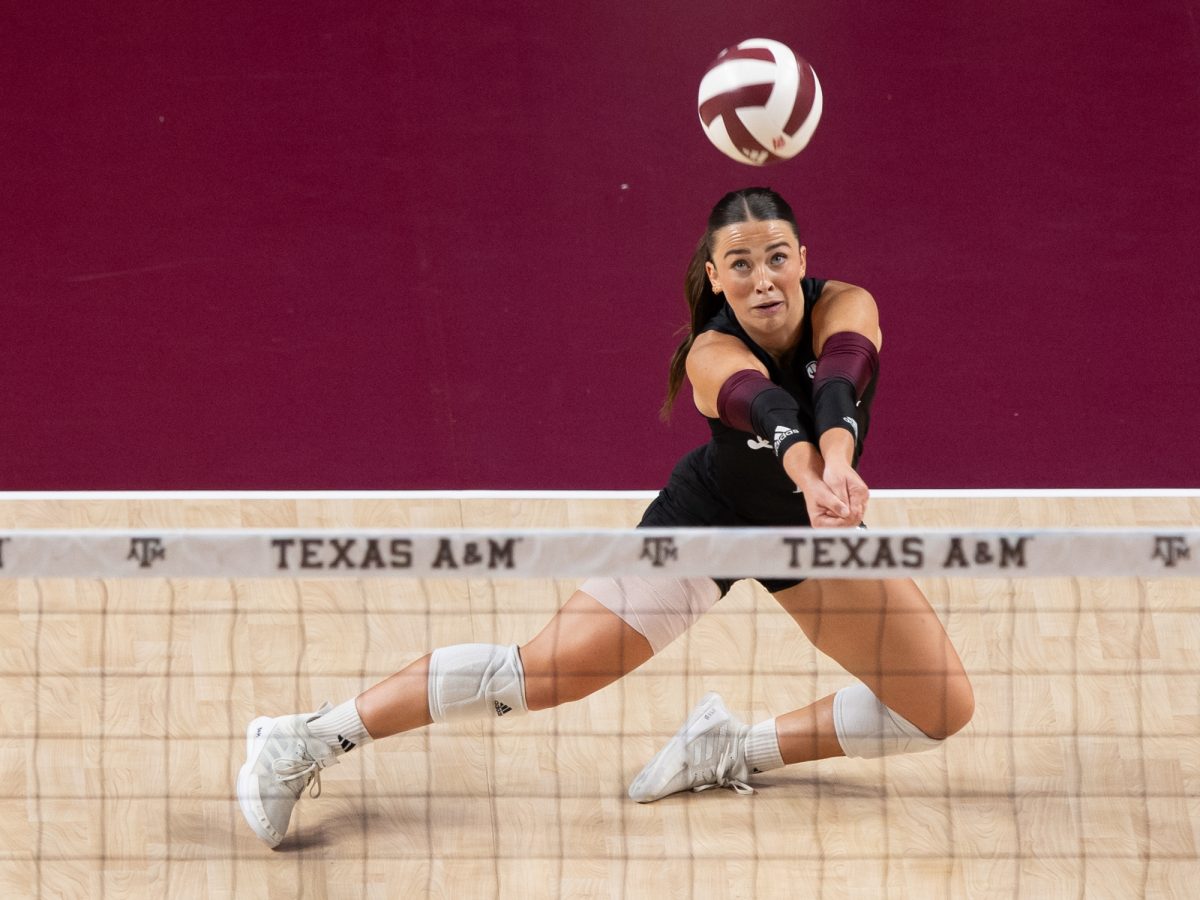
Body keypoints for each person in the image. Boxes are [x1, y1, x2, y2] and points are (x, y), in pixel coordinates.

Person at [237, 187, 974, 848]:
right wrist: (815, 475)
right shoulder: (711, 353)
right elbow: (776, 414)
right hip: (711, 522)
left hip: (813, 534)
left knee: (939, 705)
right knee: (542, 673)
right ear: (714, 276)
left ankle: (729, 749)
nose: (763, 278)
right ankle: (304, 739)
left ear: (802, 259)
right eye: (740, 264)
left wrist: (837, 466)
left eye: (776, 257)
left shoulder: (847, 304)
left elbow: (838, 387)